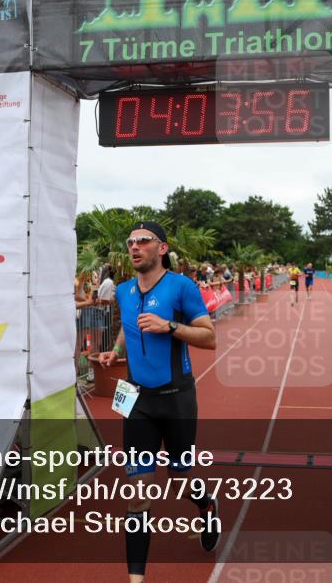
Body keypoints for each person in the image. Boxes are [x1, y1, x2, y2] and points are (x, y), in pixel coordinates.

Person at [98, 221, 220, 583]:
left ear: (162, 248)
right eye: (130, 242)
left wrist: (170, 326)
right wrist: (115, 350)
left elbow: (210, 338)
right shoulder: (123, 290)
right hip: (137, 401)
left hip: (177, 400)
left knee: (179, 479)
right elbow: (129, 326)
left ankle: (207, 504)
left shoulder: (181, 287)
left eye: (143, 241)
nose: (134, 247)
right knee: (137, 496)